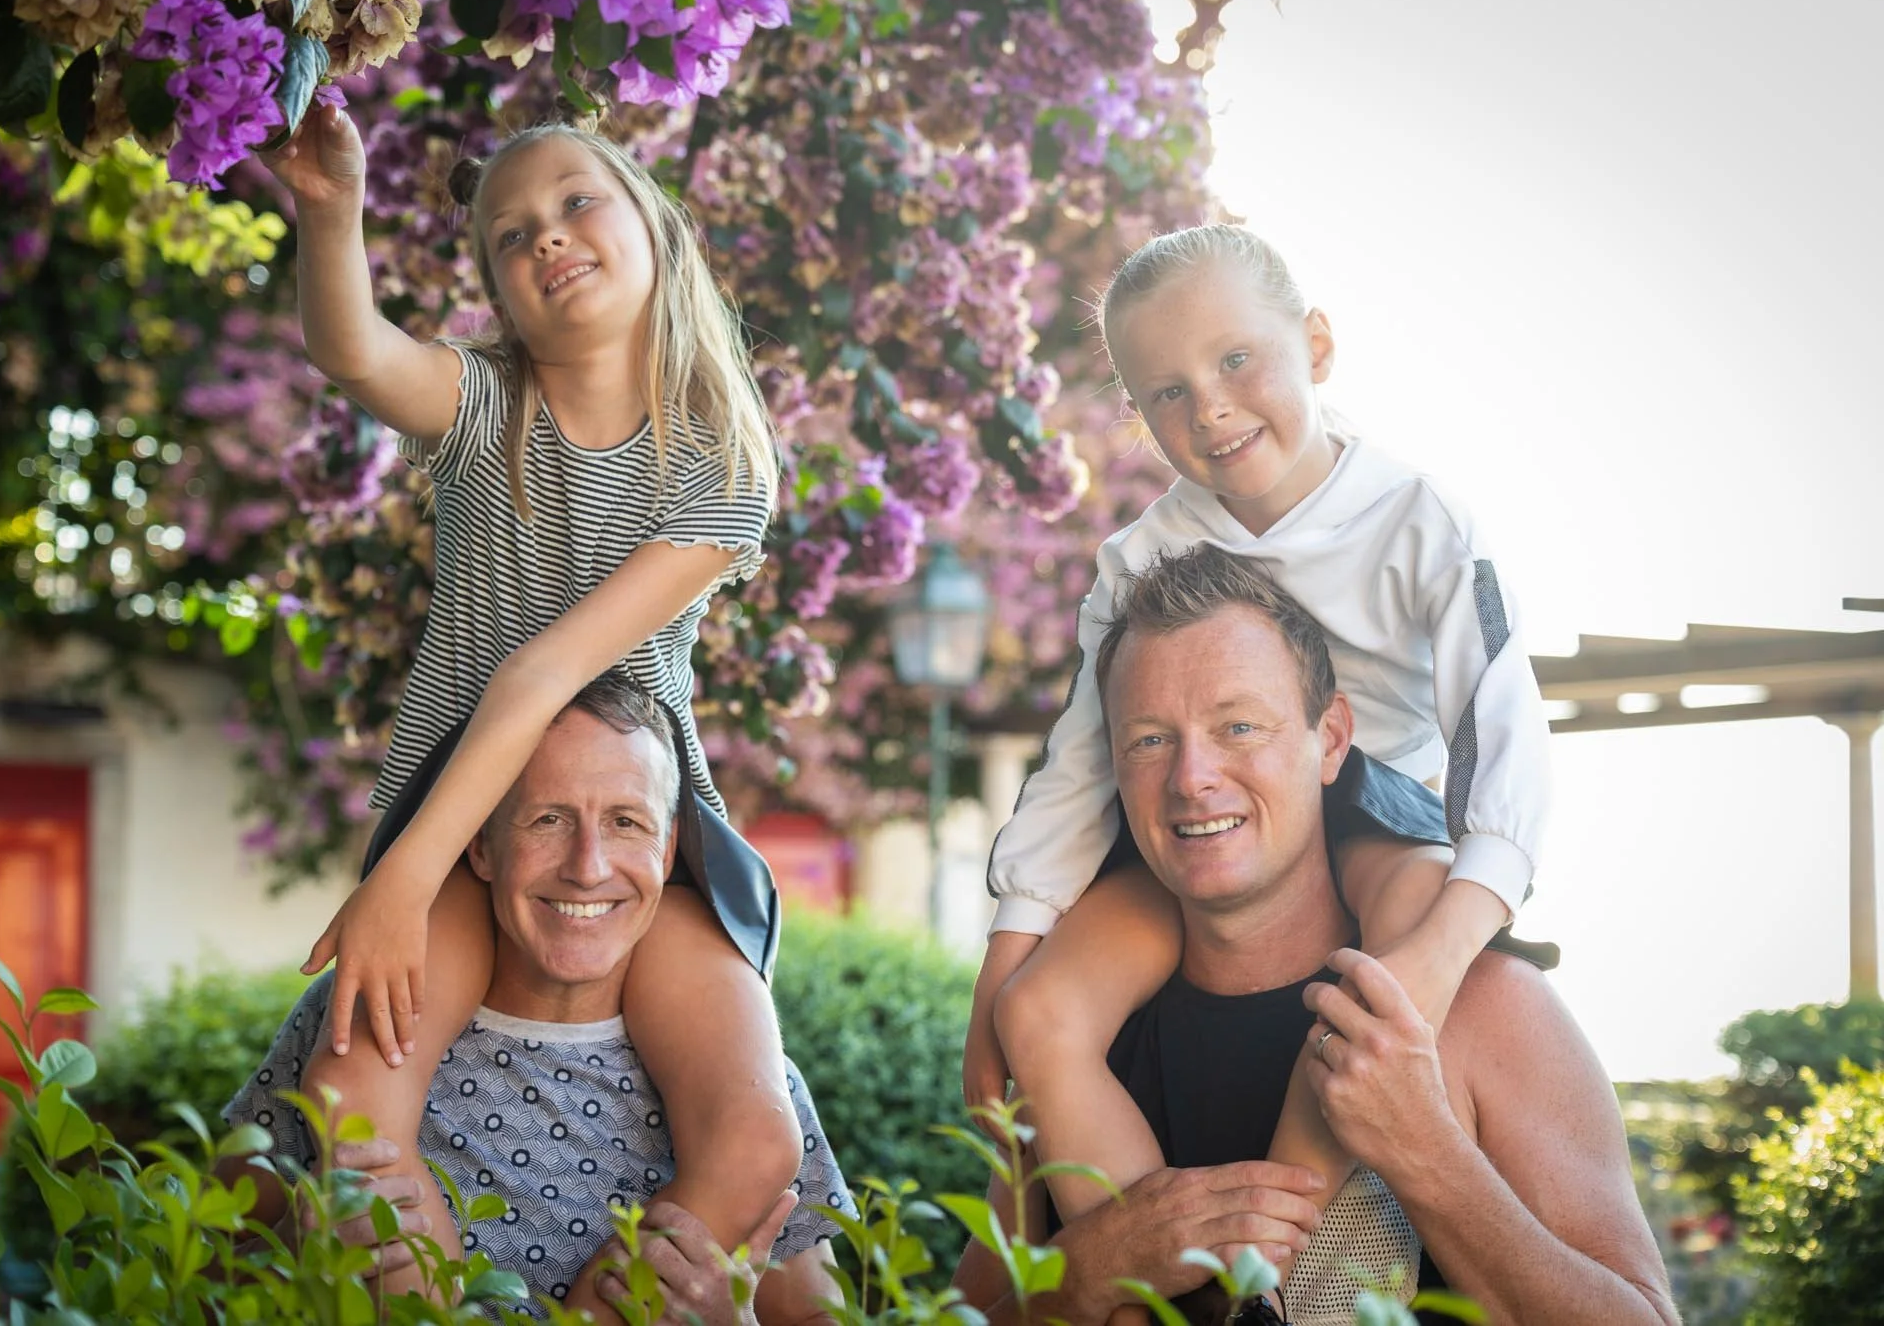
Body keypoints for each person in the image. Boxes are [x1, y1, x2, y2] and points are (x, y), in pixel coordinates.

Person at [260, 106, 802, 1296]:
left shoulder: (719, 466)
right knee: (351, 1106)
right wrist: (331, 212)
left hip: (630, 835)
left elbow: (544, 675)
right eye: (509, 236)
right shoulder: (483, 412)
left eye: (573, 203)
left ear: (654, 227)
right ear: (499, 295)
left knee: (754, 1140)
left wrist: (390, 879)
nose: (545, 236)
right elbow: (354, 350)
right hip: (470, 833)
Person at [965, 224, 1554, 1277]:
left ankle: (1282, 1282)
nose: (1211, 407)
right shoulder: (1143, 554)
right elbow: (1080, 766)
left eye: (1234, 360)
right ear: (1141, 420)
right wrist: (999, 980)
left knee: (1372, 1001)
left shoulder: (1420, 521)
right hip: (1201, 821)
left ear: (1314, 345)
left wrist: (1449, 938)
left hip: (1377, 811)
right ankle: (1163, 1283)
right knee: (1040, 1010)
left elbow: (1502, 730)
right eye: (1167, 393)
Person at [954, 545, 1675, 1325]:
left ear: (1330, 739)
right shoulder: (1078, 1035)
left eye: (1238, 725)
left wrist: (1428, 1154)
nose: (1192, 776)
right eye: (1150, 740)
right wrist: (1081, 1277)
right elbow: (965, 1310)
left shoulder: (1487, 1007)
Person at [220, 673, 848, 1323]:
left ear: (665, 853)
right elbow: (198, 1279)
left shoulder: (736, 1065)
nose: (588, 864)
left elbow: (820, 1316)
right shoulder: (356, 1010)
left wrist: (730, 1321)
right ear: (482, 845)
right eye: (548, 819)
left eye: (625, 822)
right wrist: (293, 1253)